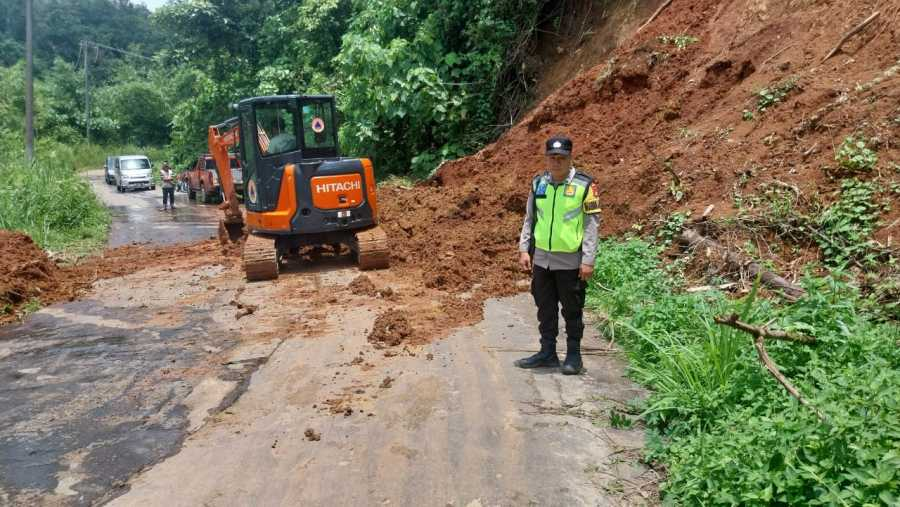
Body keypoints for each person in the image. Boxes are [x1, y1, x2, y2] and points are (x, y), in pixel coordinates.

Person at [515, 136, 601, 375]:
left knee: (572, 310)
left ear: (570, 158)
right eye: (552, 157)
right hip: (542, 259)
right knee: (545, 308)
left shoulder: (585, 185)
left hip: (570, 261)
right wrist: (524, 248)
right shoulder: (539, 183)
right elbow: (530, 218)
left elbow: (591, 225)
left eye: (561, 157)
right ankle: (547, 353)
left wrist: (588, 260)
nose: (556, 162)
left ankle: (574, 356)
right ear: (546, 159)